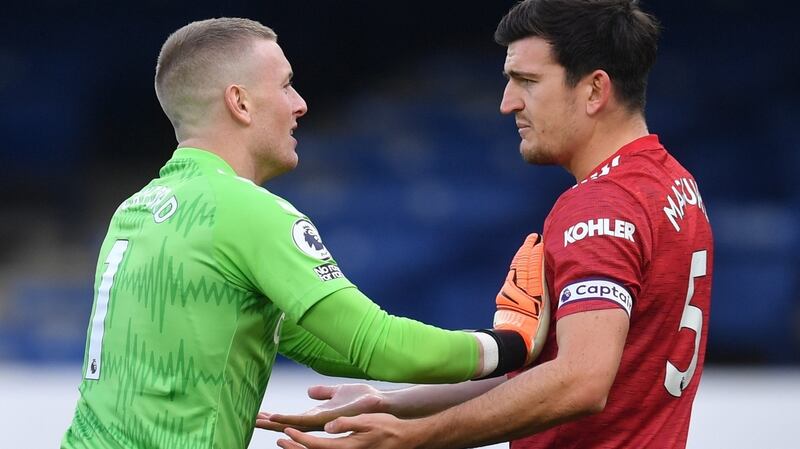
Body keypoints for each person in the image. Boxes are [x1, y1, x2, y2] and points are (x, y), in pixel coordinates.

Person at [60, 17, 548, 449]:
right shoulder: (244, 209)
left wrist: (393, 398)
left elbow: (329, 347)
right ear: (240, 102)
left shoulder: (135, 210)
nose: (301, 104)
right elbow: (378, 344)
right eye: (287, 85)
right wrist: (511, 343)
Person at [263, 1, 714, 448]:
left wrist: (413, 438)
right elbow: (549, 376)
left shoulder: (602, 205)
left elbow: (581, 380)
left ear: (595, 90)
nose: (506, 103)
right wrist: (391, 404)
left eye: (527, 82)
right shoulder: (671, 182)